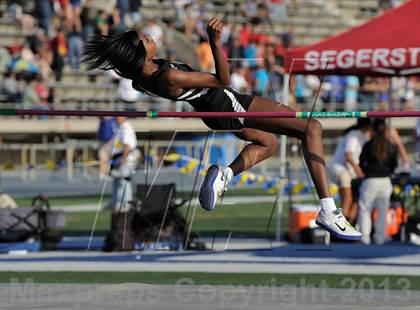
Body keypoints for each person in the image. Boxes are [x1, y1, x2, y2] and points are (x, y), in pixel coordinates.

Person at [82, 18, 362, 240]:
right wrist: (215, 42)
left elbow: (145, 73)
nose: (149, 37)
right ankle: (328, 210)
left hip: (216, 113)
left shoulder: (141, 78)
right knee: (311, 127)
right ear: (138, 53)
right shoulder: (167, 75)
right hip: (229, 105)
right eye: (144, 39)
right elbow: (221, 79)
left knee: (269, 144)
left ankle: (224, 175)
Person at [357, 118, 398, 244]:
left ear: (373, 130)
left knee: (365, 209)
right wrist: (387, 172)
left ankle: (365, 238)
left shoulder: (368, 145)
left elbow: (361, 162)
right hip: (385, 181)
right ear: (385, 130)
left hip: (370, 180)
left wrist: (367, 171)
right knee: (382, 211)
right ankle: (380, 238)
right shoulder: (390, 145)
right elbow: (394, 164)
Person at [328, 119, 372, 223]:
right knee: (347, 198)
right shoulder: (353, 135)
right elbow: (349, 156)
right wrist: (359, 172)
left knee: (353, 199)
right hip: (340, 169)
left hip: (348, 171)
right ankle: (341, 221)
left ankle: (345, 219)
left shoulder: (364, 136)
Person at [108, 117, 138, 210]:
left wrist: (123, 159)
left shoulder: (126, 127)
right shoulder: (120, 127)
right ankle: (115, 202)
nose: (116, 119)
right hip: (119, 158)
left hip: (126, 158)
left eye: (118, 117)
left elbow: (127, 146)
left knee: (124, 182)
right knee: (117, 182)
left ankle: (126, 204)